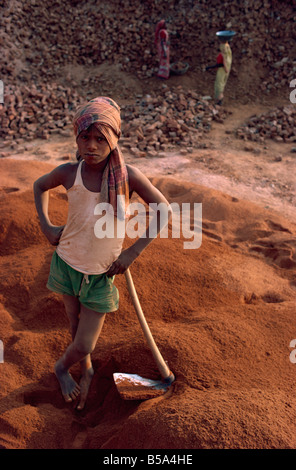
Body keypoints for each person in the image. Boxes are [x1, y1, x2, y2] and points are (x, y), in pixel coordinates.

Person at [34, 96, 172, 410]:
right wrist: (47, 227)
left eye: (100, 138)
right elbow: (39, 186)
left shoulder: (129, 178)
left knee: (84, 341)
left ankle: (61, 368)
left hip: (100, 273)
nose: (92, 146)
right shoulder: (70, 172)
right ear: (76, 138)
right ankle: (86, 370)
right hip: (67, 262)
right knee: (73, 322)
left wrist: (132, 253)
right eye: (85, 137)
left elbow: (164, 209)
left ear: (113, 140)